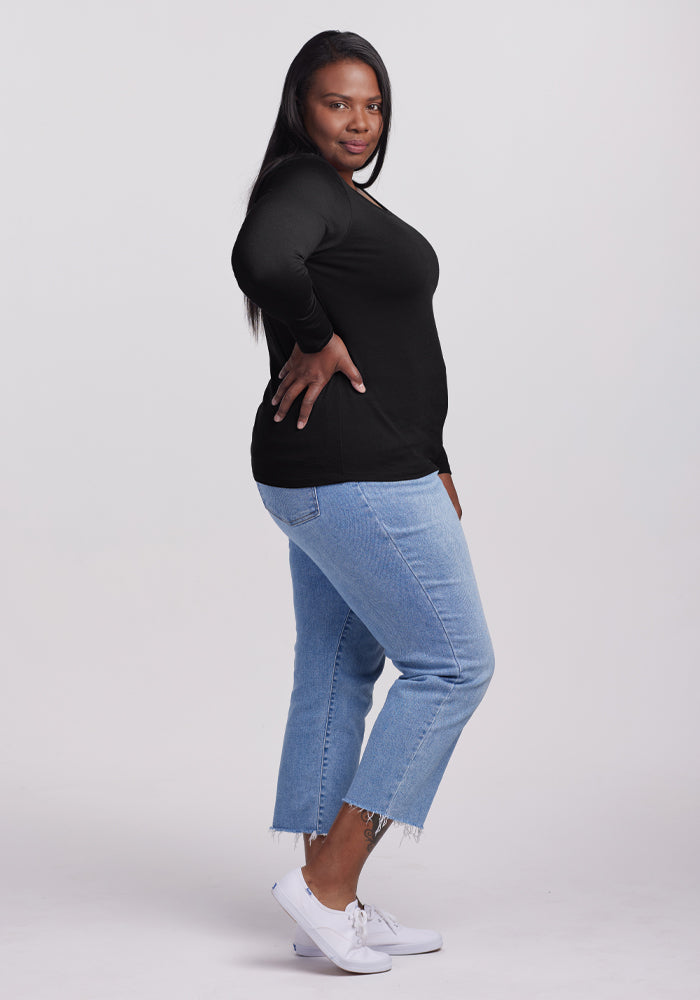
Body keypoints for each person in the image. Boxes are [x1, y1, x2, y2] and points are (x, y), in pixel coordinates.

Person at [230, 29, 495, 975]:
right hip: (353, 476)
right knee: (456, 665)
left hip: (350, 470)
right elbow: (263, 259)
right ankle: (331, 882)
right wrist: (312, 335)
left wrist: (436, 452)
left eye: (371, 105)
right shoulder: (300, 186)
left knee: (339, 670)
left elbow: (391, 343)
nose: (357, 121)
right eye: (337, 102)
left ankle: (322, 907)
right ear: (303, 106)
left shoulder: (341, 201)